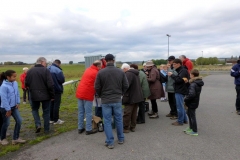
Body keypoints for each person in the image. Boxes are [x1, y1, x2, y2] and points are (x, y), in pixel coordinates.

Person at [95, 54, 129, 149]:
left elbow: (97, 86)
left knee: (107, 121)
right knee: (118, 119)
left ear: (105, 61)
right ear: (113, 60)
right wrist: (121, 93)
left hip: (106, 100)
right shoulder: (120, 71)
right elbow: (126, 85)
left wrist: (101, 95)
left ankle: (110, 142)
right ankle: (121, 138)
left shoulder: (101, 72)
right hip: (117, 98)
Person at [25, 57, 55, 134]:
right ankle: (46, 129)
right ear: (42, 62)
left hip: (33, 94)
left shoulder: (30, 71)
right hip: (45, 95)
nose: (46, 64)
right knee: (46, 112)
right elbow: (50, 84)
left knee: (35, 110)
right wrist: (52, 96)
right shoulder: (46, 70)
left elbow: (26, 83)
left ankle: (38, 124)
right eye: (45, 63)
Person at [0, 70, 26, 145]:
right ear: (8, 77)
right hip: (5, 108)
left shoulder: (15, 83)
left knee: (19, 120)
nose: (15, 78)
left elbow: (17, 93)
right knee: (6, 123)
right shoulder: (3, 86)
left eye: (15, 76)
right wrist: (8, 109)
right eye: (13, 76)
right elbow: (4, 99)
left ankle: (15, 138)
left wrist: (17, 102)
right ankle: (2, 138)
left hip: (14, 107)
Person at [76, 60, 102, 135]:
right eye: (100, 66)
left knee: (81, 111)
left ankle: (80, 128)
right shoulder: (96, 73)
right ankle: (88, 129)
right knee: (88, 112)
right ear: (98, 66)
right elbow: (98, 85)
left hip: (80, 92)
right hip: (87, 93)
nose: (100, 68)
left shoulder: (88, 69)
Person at [121, 63, 143, 133]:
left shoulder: (128, 74)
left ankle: (126, 127)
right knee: (134, 112)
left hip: (130, 96)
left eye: (122, 70)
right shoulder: (135, 73)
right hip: (136, 96)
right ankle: (133, 126)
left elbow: (126, 85)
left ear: (125, 69)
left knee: (127, 112)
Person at [168, 59, 189, 126]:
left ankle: (180, 121)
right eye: (173, 64)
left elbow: (179, 80)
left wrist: (172, 75)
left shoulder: (183, 71)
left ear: (179, 64)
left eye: (174, 64)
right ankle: (185, 119)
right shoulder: (181, 70)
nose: (173, 65)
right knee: (181, 106)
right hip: (180, 89)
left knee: (179, 107)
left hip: (180, 90)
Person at [184, 69, 204, 136]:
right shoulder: (197, 82)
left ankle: (194, 130)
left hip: (192, 102)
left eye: (190, 74)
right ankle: (191, 127)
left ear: (192, 75)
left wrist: (185, 99)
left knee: (192, 116)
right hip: (195, 101)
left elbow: (192, 94)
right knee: (189, 114)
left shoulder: (193, 84)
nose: (189, 75)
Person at [48, 59, 65, 125]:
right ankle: (56, 119)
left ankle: (51, 119)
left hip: (49, 90)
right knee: (56, 105)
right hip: (56, 89)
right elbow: (62, 80)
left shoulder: (47, 68)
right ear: (59, 64)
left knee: (51, 104)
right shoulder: (58, 70)